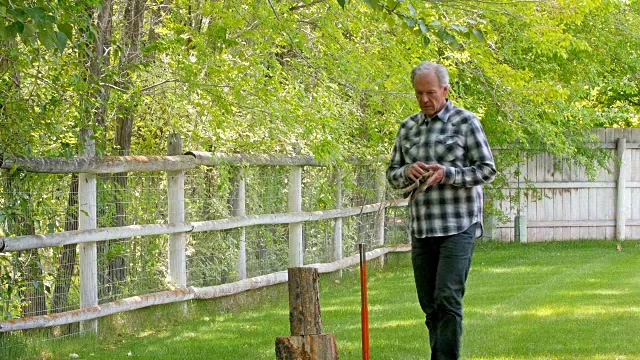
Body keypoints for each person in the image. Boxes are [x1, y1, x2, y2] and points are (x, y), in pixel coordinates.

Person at [386, 61, 496, 360]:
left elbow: (487, 170)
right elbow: (392, 173)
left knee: (447, 299)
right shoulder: (407, 127)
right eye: (419, 93)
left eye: (430, 92)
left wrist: (447, 174)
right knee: (430, 305)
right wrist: (408, 171)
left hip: (458, 226)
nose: (424, 99)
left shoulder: (465, 122)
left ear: (445, 90)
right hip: (422, 228)